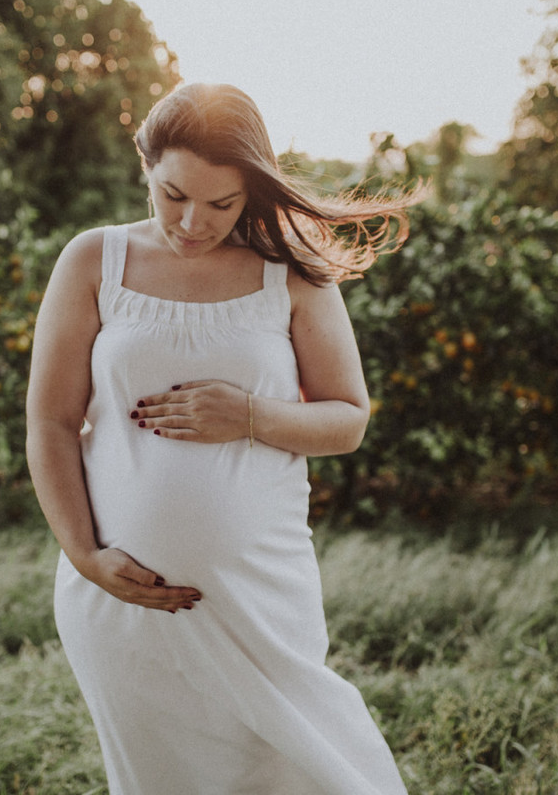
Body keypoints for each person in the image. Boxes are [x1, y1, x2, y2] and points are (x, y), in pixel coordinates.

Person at [26, 82, 417, 794]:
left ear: (252, 191)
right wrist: (85, 556)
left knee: (317, 774)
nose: (191, 222)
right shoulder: (94, 262)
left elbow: (348, 419)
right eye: (173, 194)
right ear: (145, 164)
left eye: (221, 204)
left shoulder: (291, 274)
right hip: (122, 607)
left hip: (260, 602)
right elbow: (50, 423)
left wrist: (250, 415)